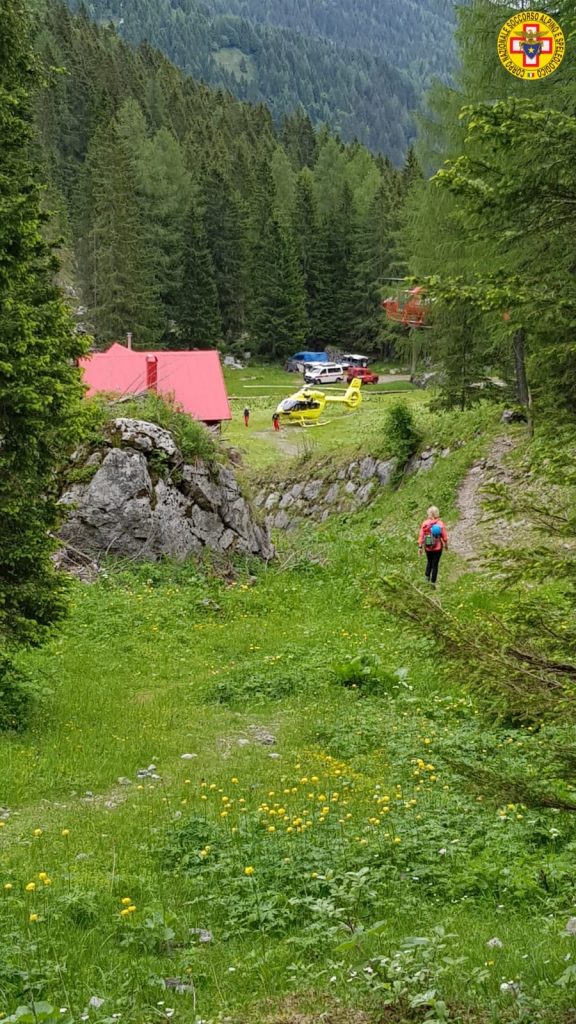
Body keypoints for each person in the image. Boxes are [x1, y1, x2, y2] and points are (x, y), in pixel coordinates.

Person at [418, 505, 449, 586]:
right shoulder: (440, 523)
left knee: (429, 562)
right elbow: (444, 536)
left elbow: (421, 535)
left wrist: (420, 547)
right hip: (438, 547)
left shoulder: (425, 523)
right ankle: (433, 583)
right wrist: (446, 544)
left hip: (428, 547)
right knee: (435, 564)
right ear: (437, 514)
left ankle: (426, 579)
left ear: (429, 514)